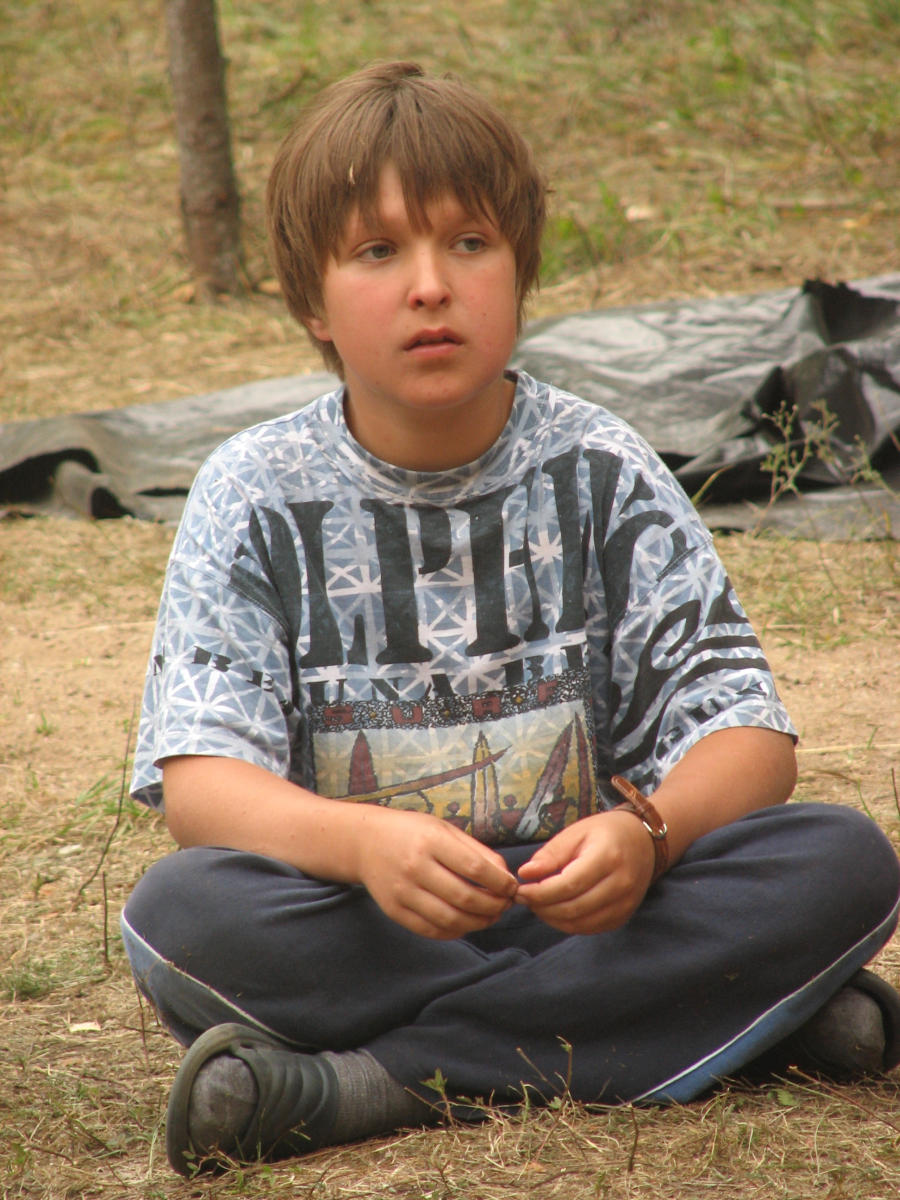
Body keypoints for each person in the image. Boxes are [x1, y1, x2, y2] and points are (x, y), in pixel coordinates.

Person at [120, 61, 900, 1178]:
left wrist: (649, 836)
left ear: (521, 270)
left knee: (839, 859)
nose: (430, 286)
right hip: (369, 922)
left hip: (602, 912)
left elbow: (749, 738)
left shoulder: (603, 467)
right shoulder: (251, 491)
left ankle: (368, 1084)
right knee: (183, 912)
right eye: (378, 251)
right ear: (310, 301)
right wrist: (364, 845)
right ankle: (719, 1027)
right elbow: (202, 786)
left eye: (470, 242)